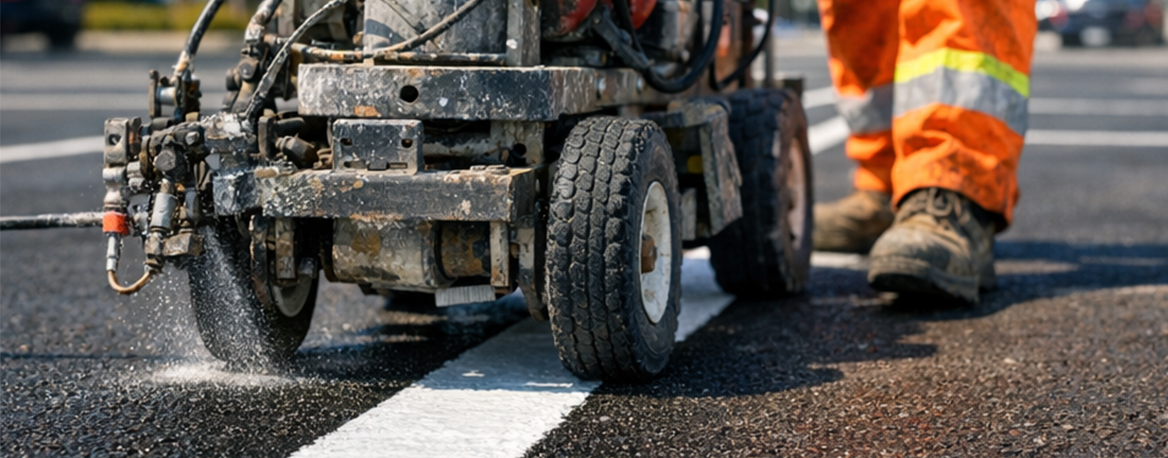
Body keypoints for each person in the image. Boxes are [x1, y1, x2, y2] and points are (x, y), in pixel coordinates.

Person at [811, 0, 1036, 304]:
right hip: (884, 171)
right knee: (858, 10)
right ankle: (888, 185)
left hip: (958, 169)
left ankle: (954, 188)